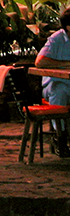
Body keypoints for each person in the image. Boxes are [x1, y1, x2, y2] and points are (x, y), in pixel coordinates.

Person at [34, 8, 70, 154]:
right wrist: (67, 64)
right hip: (55, 85)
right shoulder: (57, 39)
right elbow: (40, 62)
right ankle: (59, 136)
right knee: (59, 90)